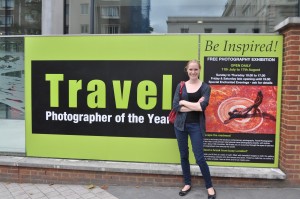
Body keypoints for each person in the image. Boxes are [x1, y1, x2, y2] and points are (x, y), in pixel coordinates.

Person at [171, 60, 216, 199]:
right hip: (180, 126)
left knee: (199, 158)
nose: (193, 72)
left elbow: (201, 107)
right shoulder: (181, 85)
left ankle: (209, 186)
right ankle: (187, 183)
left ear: (199, 70)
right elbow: (175, 106)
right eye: (191, 69)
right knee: (184, 155)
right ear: (187, 70)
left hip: (196, 126)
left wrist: (184, 102)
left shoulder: (205, 87)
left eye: (195, 69)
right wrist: (194, 104)